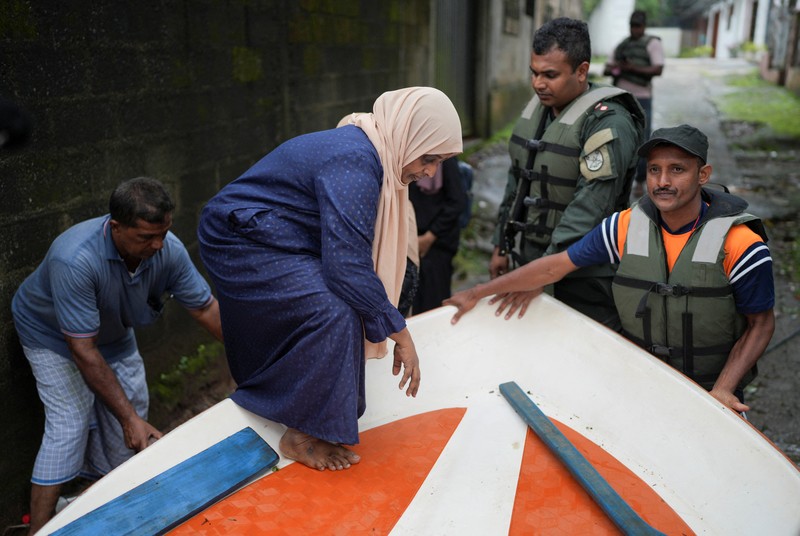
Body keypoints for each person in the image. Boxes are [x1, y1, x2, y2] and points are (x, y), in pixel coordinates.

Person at [197, 87, 462, 472]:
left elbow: (347, 261)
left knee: (347, 303)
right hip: (242, 238)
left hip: (279, 233)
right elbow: (346, 268)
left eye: (441, 163)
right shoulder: (357, 162)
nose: (429, 172)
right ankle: (300, 436)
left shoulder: (372, 147)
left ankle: (308, 409)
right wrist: (399, 331)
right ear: (409, 135)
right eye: (429, 158)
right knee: (336, 309)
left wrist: (384, 317)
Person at [447, 125, 775, 413]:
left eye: (677, 170)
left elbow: (760, 324)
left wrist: (724, 389)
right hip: (642, 387)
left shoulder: (739, 243)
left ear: (703, 175)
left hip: (709, 393)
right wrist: (478, 292)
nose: (663, 181)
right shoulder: (624, 226)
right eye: (654, 170)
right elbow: (555, 267)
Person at [11, 177, 224, 534]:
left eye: (163, 233)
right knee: (71, 421)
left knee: (130, 422)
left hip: (112, 331)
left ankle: (90, 501)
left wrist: (252, 359)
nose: (158, 245)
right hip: (52, 336)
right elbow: (82, 349)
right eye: (145, 238)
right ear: (115, 228)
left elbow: (205, 309)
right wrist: (127, 418)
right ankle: (40, 528)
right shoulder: (75, 258)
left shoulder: (166, 249)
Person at [491, 17, 645, 332]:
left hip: (585, 273)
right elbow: (518, 180)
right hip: (531, 258)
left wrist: (543, 272)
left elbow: (590, 207)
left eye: (550, 75)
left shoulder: (609, 123)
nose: (538, 84)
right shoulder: (539, 111)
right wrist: (501, 244)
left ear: (582, 71)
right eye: (534, 73)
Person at [604, 10, 665, 196]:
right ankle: (619, 179)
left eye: (638, 25)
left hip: (643, 97)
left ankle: (639, 181)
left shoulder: (652, 43)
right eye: (632, 25)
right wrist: (616, 69)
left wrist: (632, 68)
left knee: (643, 140)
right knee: (618, 137)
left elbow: (658, 69)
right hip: (621, 96)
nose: (635, 29)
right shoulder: (623, 45)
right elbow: (607, 68)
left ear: (644, 25)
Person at [409, 156, 467, 314]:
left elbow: (458, 201)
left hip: (438, 244)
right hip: (412, 240)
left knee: (433, 303)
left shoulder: (444, 159)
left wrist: (430, 236)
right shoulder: (409, 156)